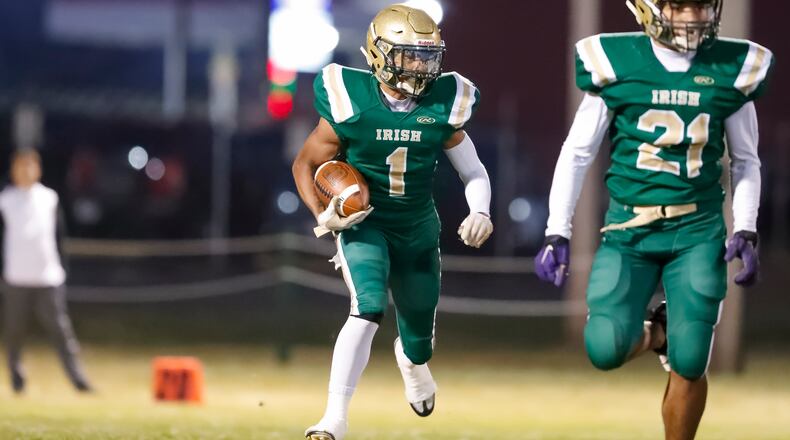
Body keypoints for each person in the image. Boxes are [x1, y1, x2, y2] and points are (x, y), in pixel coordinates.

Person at [535, 0, 773, 438]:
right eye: (681, 6)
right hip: (629, 231)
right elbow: (578, 152)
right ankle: (660, 335)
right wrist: (557, 230)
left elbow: (746, 160)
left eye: (701, 5)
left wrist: (746, 226)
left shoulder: (732, 67)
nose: (693, 17)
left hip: (697, 230)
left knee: (692, 358)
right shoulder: (616, 62)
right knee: (605, 347)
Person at [292, 4, 493, 439]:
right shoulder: (351, 99)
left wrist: (480, 210)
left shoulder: (444, 101)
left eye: (427, 56)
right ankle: (333, 419)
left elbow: (473, 171)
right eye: (410, 56)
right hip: (366, 222)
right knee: (366, 308)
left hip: (418, 227)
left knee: (419, 339)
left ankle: (412, 361)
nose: (420, 66)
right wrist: (323, 214)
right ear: (379, 54)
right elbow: (305, 163)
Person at [0, 149, 92, 394]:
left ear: (38, 169)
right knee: (14, 333)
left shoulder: (49, 198)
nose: (25, 171)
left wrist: (62, 268)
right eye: (20, 166)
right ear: (13, 170)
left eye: (30, 166)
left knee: (61, 331)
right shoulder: (5, 200)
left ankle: (78, 379)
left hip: (47, 278)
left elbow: (59, 237)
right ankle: (16, 379)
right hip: (15, 277)